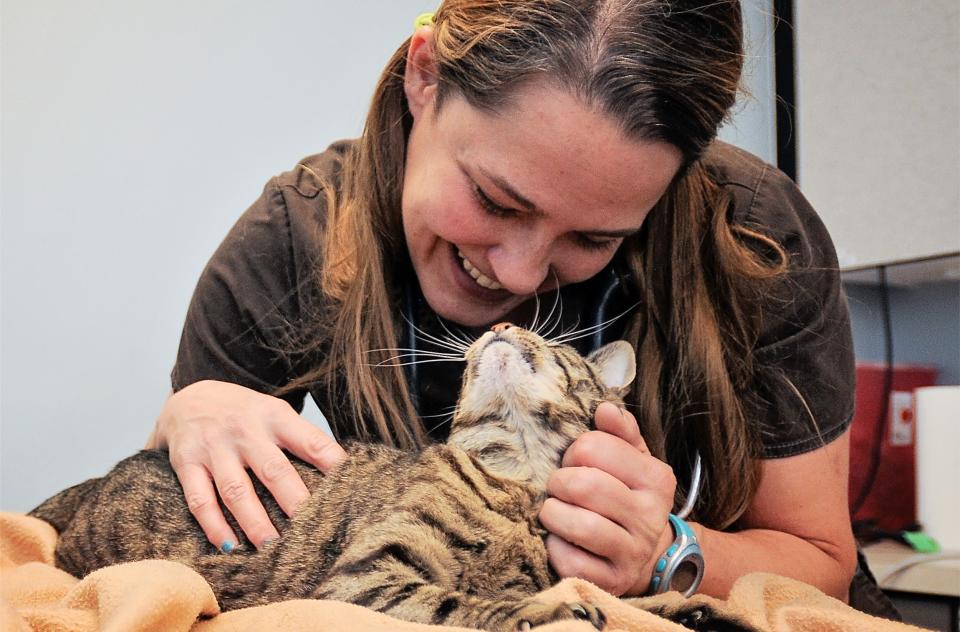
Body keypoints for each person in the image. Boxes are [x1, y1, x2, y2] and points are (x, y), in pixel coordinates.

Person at [145, 0, 895, 615]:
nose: (521, 274)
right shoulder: (296, 236)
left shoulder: (751, 231)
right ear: (425, 74)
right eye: (496, 202)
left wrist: (666, 550)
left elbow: (822, 563)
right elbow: (178, 518)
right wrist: (192, 414)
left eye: (596, 238)